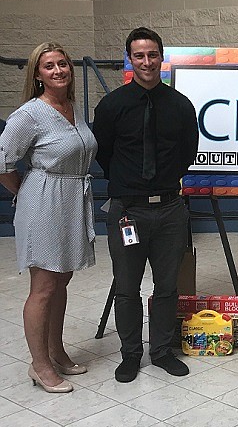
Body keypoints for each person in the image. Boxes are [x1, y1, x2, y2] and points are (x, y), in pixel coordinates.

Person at [93, 27, 198, 383]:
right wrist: (131, 186)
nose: (147, 62)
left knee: (168, 286)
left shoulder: (180, 105)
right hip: (128, 211)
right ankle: (130, 355)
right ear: (130, 59)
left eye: (152, 54)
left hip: (170, 210)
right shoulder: (111, 106)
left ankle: (162, 352)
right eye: (139, 55)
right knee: (126, 288)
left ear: (161, 57)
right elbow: (104, 153)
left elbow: (187, 153)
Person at [0, 43, 97, 393]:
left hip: (72, 199)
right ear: (37, 74)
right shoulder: (28, 114)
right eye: (49, 66)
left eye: (63, 64)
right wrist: (25, 192)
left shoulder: (72, 107)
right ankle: (39, 365)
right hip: (43, 202)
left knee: (62, 280)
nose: (58, 70)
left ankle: (56, 351)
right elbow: (3, 162)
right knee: (42, 287)